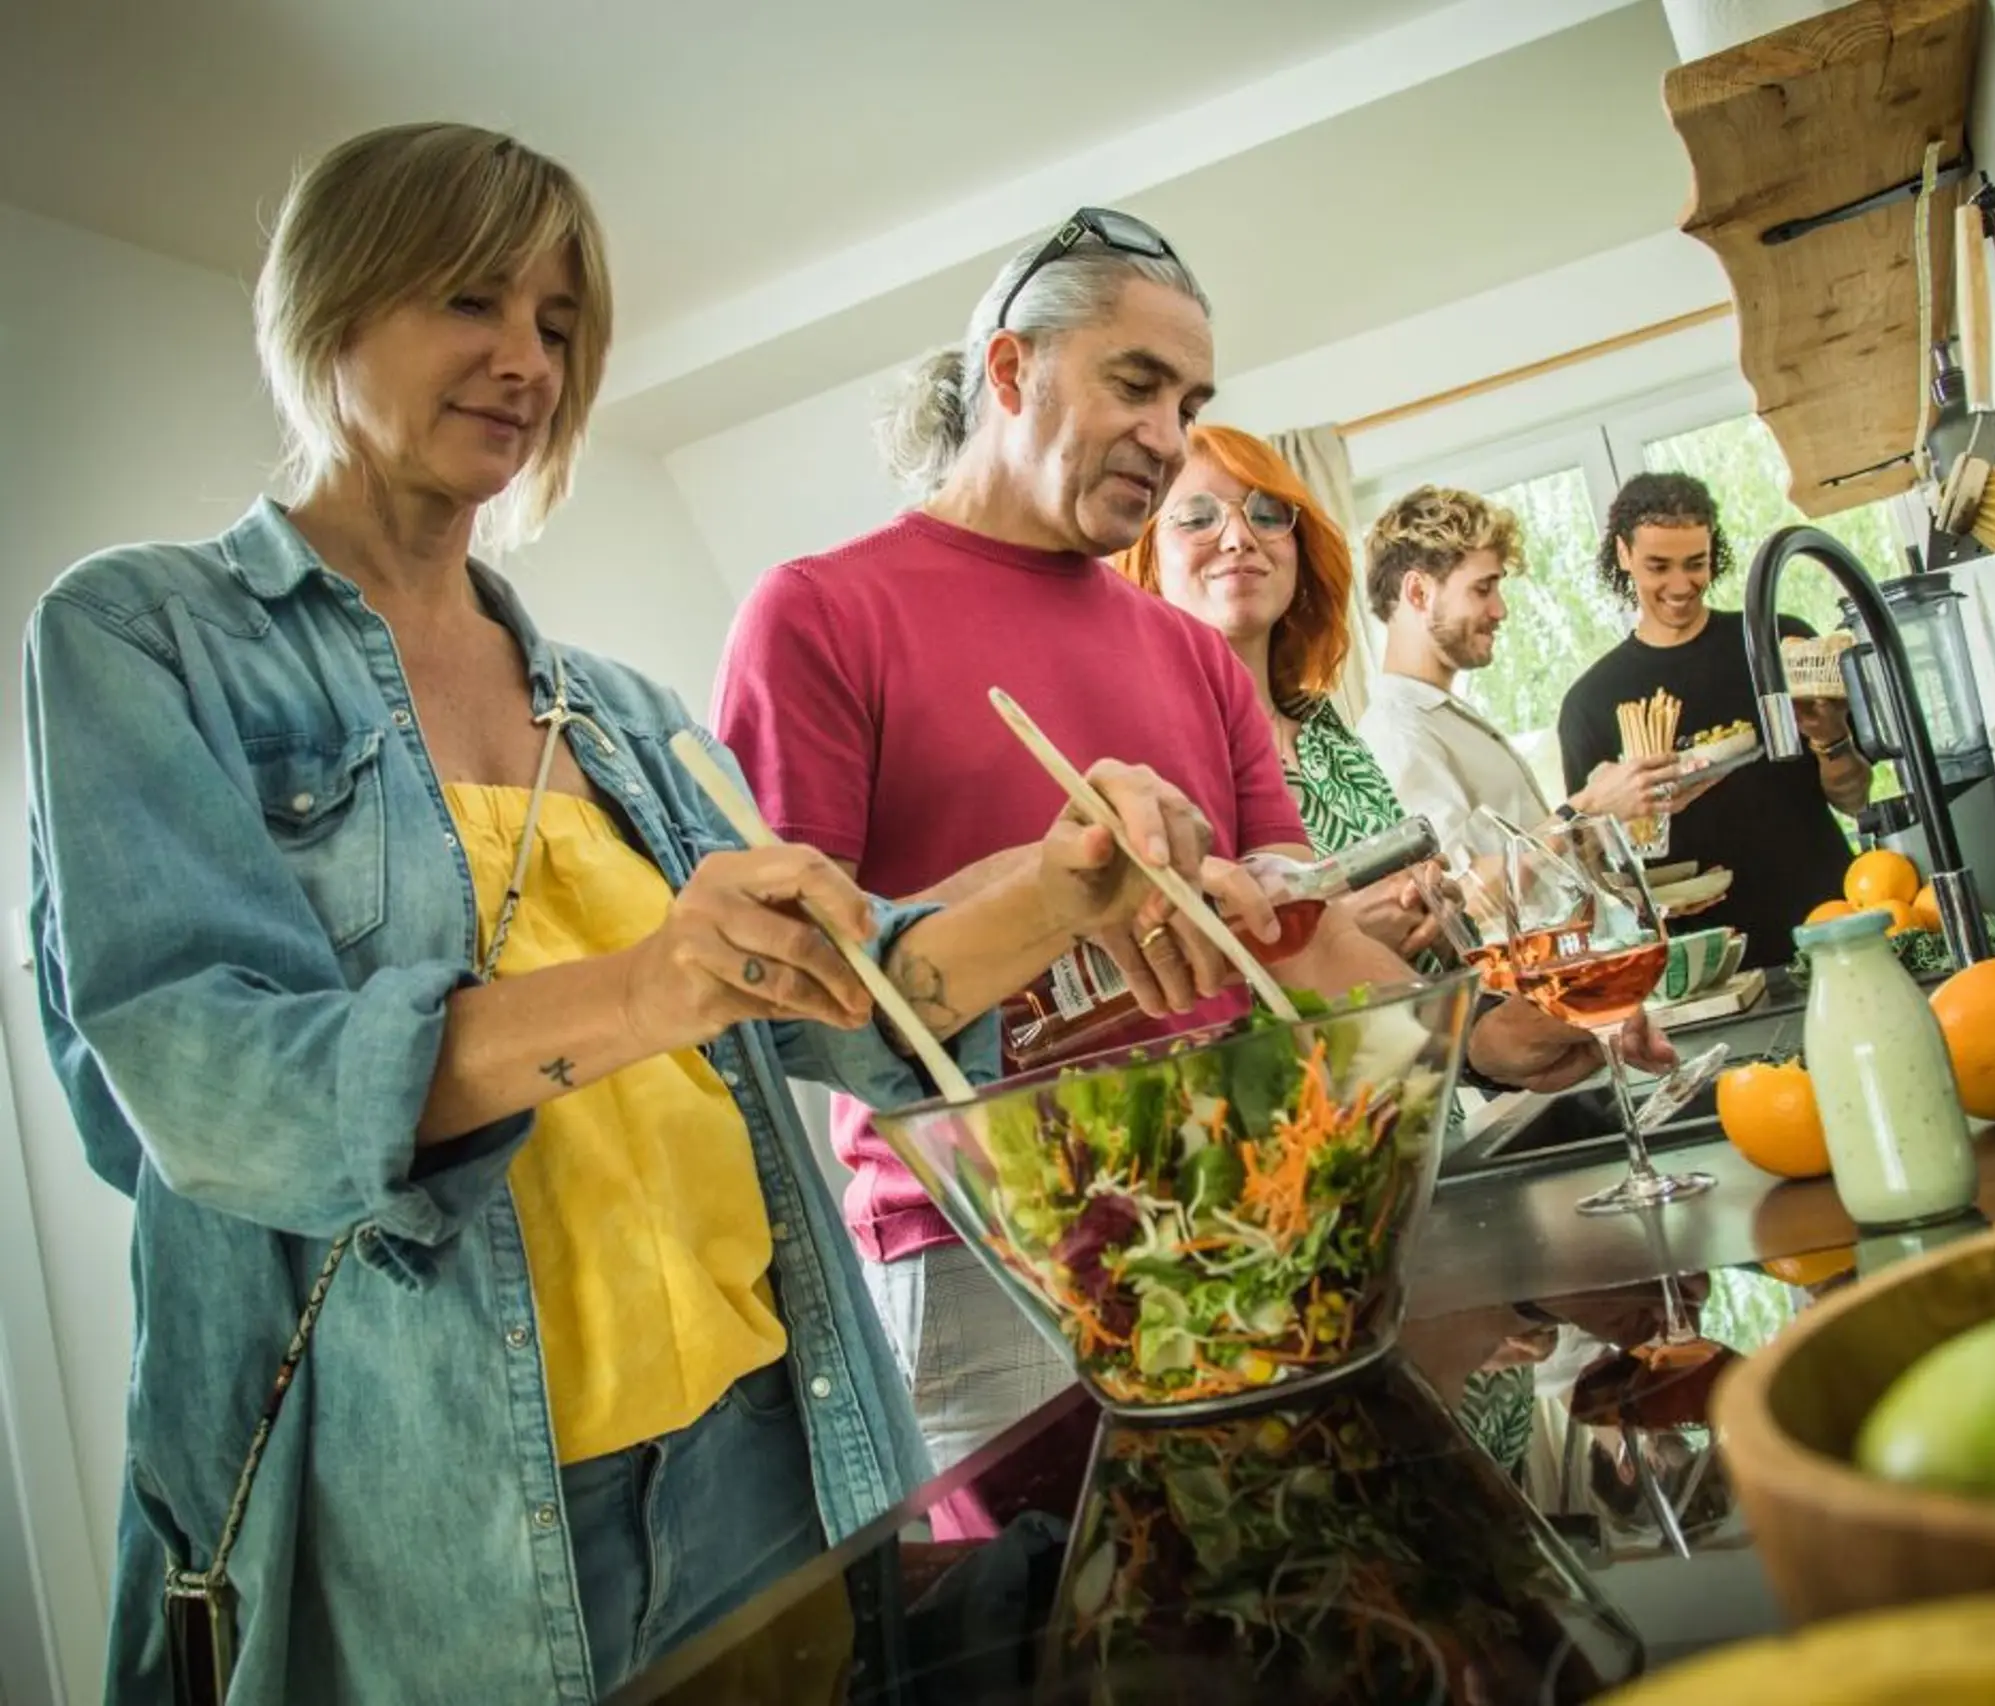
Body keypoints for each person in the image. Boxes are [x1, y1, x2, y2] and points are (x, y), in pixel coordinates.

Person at [21, 126, 1222, 1706]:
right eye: (471, 301)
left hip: (766, 1437)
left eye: (561, 327)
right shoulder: (143, 636)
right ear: (326, 304)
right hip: (450, 1507)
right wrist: (655, 984)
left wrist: (1059, 889)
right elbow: (208, 1088)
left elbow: (856, 1007)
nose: (525, 360)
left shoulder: (622, 712)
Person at [714, 210, 1647, 1470]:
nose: (1166, 436)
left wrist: (1484, 1034)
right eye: (1135, 384)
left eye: (1189, 396)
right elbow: (782, 1001)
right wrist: (1049, 896)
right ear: (1009, 372)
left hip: (1257, 1202)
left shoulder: (1185, 653)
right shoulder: (819, 613)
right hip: (995, 1254)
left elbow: (1300, 937)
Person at [1115, 423, 1435, 959]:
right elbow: (1157, 982)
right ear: (1144, 562)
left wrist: (1432, 903)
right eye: (1197, 517)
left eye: (1266, 514)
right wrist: (1335, 939)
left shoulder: (1328, 730)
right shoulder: (1142, 757)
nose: (1240, 537)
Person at [1556, 470, 1872, 966]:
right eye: (1658, 566)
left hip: (1829, 921)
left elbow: (1855, 799)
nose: (1681, 585)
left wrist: (1830, 740)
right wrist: (1639, 895)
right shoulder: (1591, 702)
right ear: (1624, 555)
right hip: (1707, 958)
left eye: (1695, 564)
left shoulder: (1780, 642)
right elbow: (1590, 861)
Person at [1357, 483, 1685, 847]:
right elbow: (1467, 894)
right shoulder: (1397, 733)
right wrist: (1586, 808)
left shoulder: (1442, 717)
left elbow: (1532, 880)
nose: (1501, 610)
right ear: (1419, 593)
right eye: (1482, 589)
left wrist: (1612, 810)